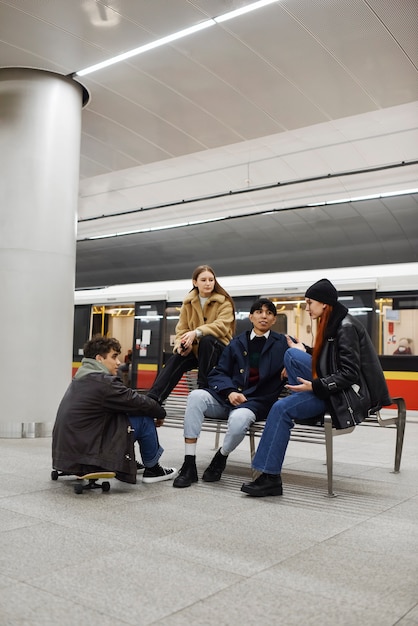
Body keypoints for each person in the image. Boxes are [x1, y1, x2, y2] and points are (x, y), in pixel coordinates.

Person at [241, 278, 392, 498]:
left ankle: (269, 477)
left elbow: (349, 373)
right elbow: (331, 361)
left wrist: (316, 385)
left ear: (323, 303)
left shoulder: (345, 327)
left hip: (345, 397)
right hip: (332, 389)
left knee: (281, 408)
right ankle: (301, 407)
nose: (307, 307)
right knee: (292, 353)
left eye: (309, 302)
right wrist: (307, 350)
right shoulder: (335, 322)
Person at [172, 298, 291, 488]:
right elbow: (218, 373)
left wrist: (291, 364)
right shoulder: (237, 342)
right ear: (251, 317)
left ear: (274, 320)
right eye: (259, 312)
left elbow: (308, 355)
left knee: (239, 420)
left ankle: (221, 457)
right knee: (195, 396)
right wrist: (229, 392)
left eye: (269, 313)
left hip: (255, 403)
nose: (264, 316)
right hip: (226, 398)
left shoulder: (283, 344)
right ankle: (189, 464)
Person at [52, 336, 176, 484]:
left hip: (68, 456)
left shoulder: (80, 378)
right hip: (88, 454)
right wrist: (160, 412)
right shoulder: (104, 382)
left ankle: (129, 460)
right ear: (99, 358)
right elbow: (137, 401)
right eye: (114, 357)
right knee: (144, 418)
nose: (119, 362)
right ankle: (154, 469)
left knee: (124, 413)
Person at [147, 265, 235, 404]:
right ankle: (153, 399)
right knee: (177, 358)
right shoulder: (188, 303)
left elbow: (222, 326)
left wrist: (196, 333)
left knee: (207, 341)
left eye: (211, 280)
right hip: (199, 353)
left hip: (220, 351)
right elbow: (181, 329)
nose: (208, 283)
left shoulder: (224, 302)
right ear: (195, 282)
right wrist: (181, 345)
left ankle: (203, 389)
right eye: (204, 280)